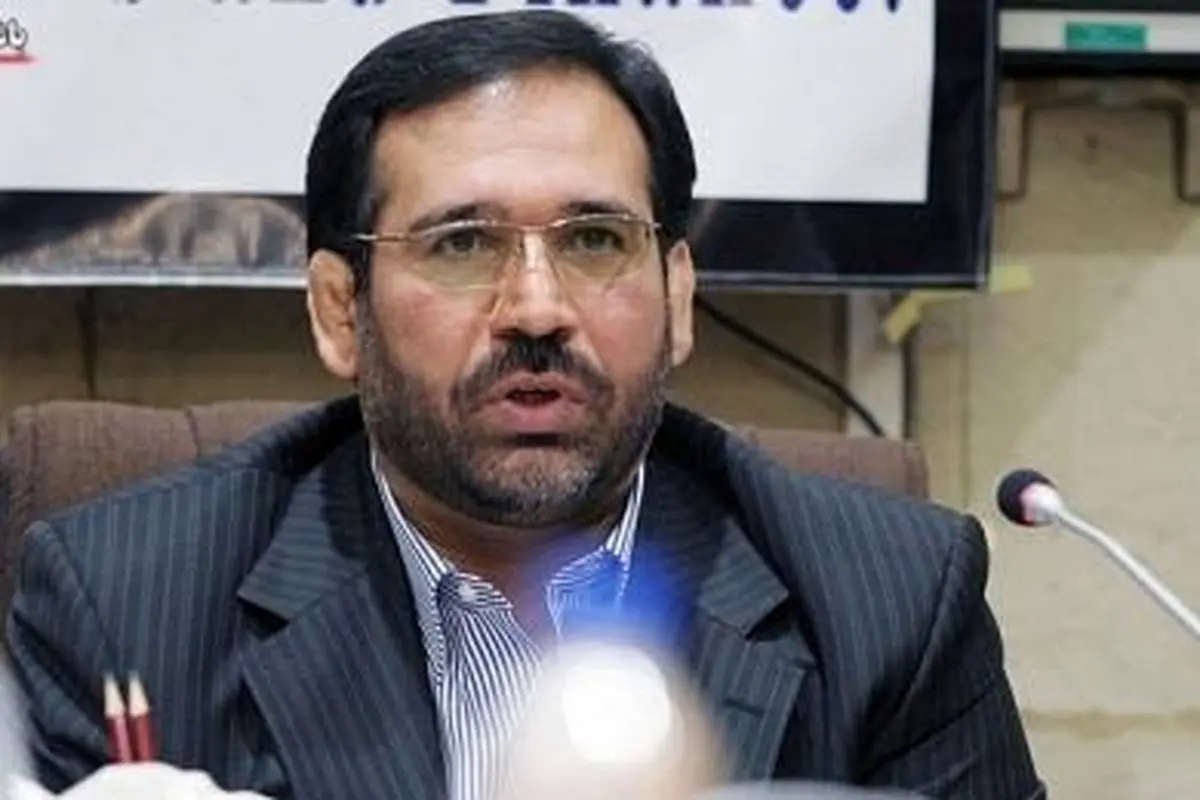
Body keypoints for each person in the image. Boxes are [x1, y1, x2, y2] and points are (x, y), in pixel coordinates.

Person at [5, 9, 1045, 800]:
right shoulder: (126, 602)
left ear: (678, 297)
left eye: (595, 240)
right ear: (338, 310)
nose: (538, 308)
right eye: (462, 243)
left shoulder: (891, 603)